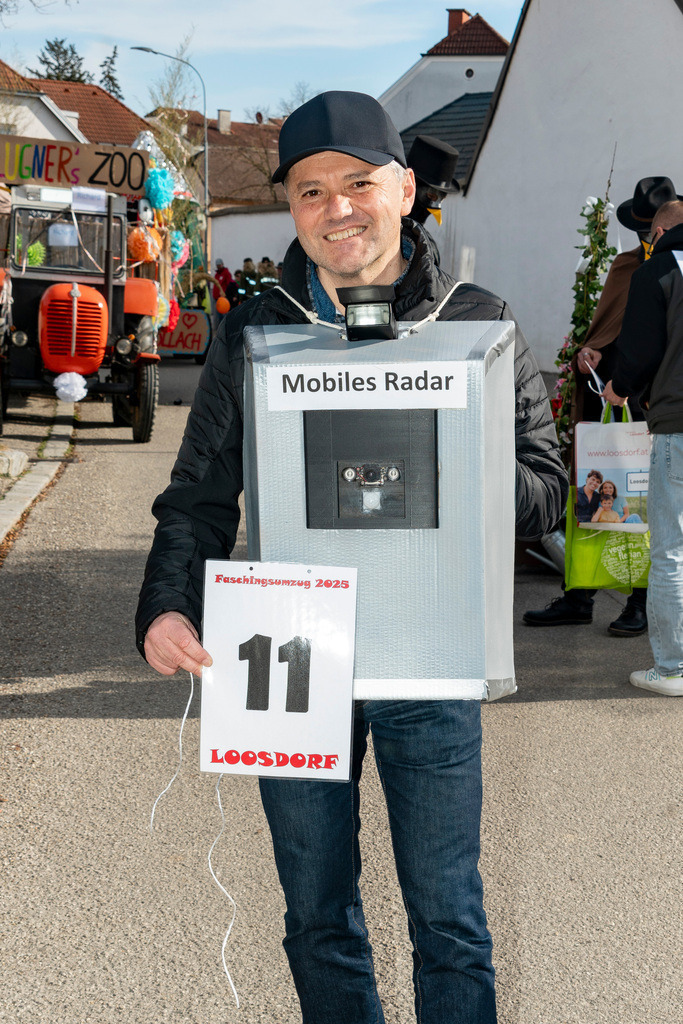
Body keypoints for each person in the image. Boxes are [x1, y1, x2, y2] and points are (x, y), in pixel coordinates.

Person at [136, 90, 567, 1023]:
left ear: (404, 191)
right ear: (292, 208)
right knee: (315, 915)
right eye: (310, 190)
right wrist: (167, 605)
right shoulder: (257, 328)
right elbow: (199, 494)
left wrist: (457, 437)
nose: (337, 208)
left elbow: (546, 493)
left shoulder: (474, 321)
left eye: (359, 184)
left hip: (432, 653)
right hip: (292, 649)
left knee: (448, 921)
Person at [524, 176, 681, 636]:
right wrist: (591, 351)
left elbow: (658, 342)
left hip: (651, 402)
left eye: (650, 229)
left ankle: (640, 601)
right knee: (592, 493)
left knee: (645, 506)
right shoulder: (627, 265)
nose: (646, 237)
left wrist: (631, 384)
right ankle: (580, 595)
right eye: (640, 229)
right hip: (610, 397)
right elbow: (609, 328)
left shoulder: (671, 267)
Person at [602, 199, 683, 696]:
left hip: (679, 421)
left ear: (657, 231)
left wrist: (621, 386)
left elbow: (640, 348)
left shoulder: (659, 270)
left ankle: (673, 669)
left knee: (672, 549)